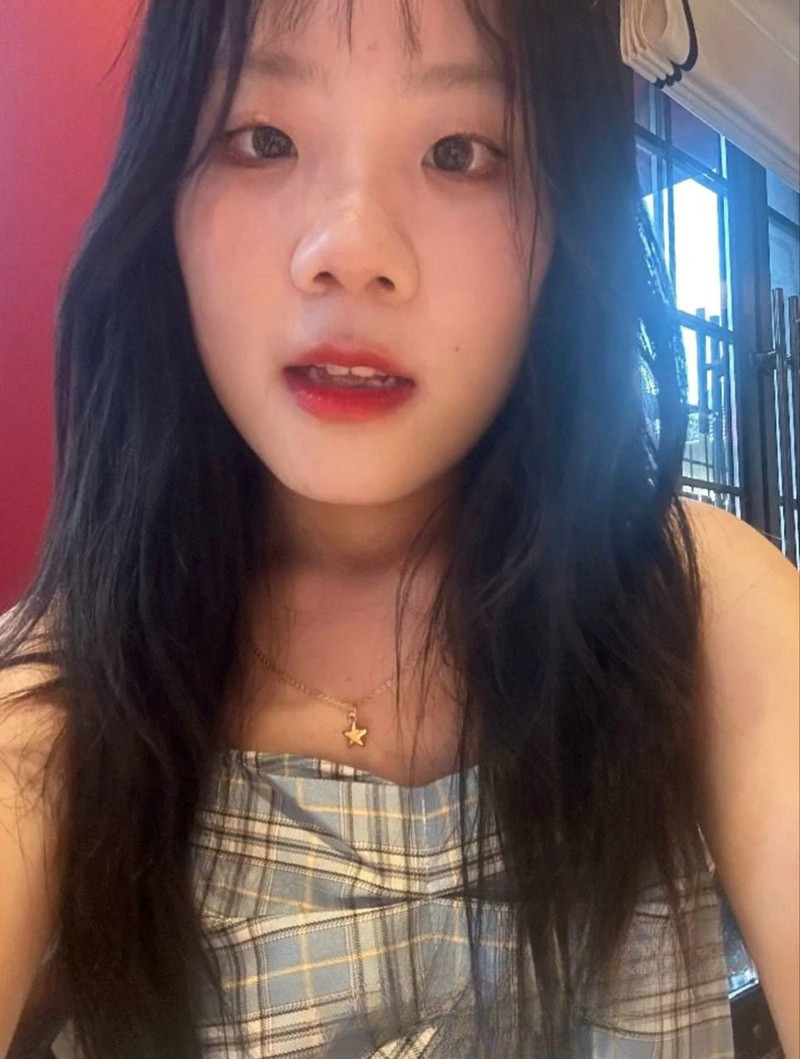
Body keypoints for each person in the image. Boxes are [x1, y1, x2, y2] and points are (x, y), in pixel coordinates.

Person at [1, 0, 797, 1056]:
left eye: (458, 152)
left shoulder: (706, 609)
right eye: (263, 138)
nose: (349, 249)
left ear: (567, 213)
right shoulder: (65, 685)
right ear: (164, 194)